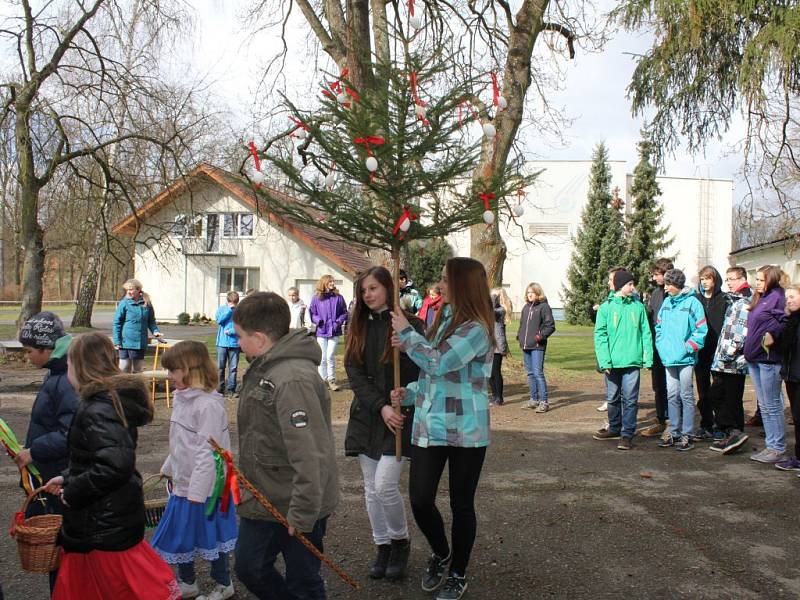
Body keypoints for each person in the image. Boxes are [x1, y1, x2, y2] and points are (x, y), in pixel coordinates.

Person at [43, 332, 178, 599]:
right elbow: (98, 457)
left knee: (117, 588)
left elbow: (115, 464)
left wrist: (74, 491)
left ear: (80, 366)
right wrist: (68, 477)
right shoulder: (104, 403)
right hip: (103, 519)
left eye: (69, 363)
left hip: (103, 523)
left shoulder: (98, 408)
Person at [390, 257, 493, 600]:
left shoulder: (477, 327)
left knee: (462, 505)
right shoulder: (445, 317)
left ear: (463, 285)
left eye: (447, 279)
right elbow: (436, 376)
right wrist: (410, 392)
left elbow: (438, 362)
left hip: (466, 430)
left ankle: (458, 573)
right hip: (431, 424)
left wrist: (406, 332)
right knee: (420, 499)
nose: (440, 284)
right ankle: (441, 551)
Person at [232, 292, 339, 599]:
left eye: (240, 336)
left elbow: (310, 451)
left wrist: (303, 514)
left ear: (260, 338)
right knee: (249, 566)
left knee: (303, 581)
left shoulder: (291, 378)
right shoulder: (265, 365)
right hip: (265, 495)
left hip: (298, 501)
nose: (237, 343)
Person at [343, 267, 421, 580]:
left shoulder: (410, 324)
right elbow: (354, 373)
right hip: (368, 416)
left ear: (388, 288)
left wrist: (406, 349)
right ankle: (382, 545)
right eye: (363, 291)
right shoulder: (358, 325)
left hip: (399, 417)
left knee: (385, 485)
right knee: (370, 490)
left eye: (373, 288)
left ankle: (400, 542)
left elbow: (423, 369)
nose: (368, 295)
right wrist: (380, 406)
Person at [151, 341, 238, 600]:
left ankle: (224, 584)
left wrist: (197, 494)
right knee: (182, 534)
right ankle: (187, 582)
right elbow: (182, 442)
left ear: (191, 369)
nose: (169, 376)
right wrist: (169, 466)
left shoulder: (207, 405)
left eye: (173, 370)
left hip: (206, 489)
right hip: (186, 484)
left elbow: (208, 452)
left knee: (213, 535)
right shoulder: (183, 399)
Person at [15, 312, 80, 593]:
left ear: (45, 348)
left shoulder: (65, 379)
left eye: (29, 350)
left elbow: (71, 432)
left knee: (62, 547)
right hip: (51, 471)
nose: (27, 356)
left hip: (59, 474)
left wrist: (34, 451)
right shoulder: (56, 372)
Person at [592, 269, 653, 450]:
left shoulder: (638, 307)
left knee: (630, 399)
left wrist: (647, 358)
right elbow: (600, 336)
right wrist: (604, 361)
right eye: (630, 284)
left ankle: (627, 434)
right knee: (612, 398)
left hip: (632, 362)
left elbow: (646, 334)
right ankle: (615, 427)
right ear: (620, 285)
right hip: (612, 362)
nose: (633, 287)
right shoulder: (606, 308)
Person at [655, 269, 708, 451]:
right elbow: (659, 328)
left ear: (677, 285)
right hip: (668, 358)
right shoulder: (667, 303)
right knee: (672, 395)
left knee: (686, 395)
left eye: (668, 285)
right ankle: (674, 430)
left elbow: (701, 331)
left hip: (685, 359)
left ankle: (687, 433)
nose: (666, 288)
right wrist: (662, 347)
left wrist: (688, 348)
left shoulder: (693, 303)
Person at [744, 265, 788, 464]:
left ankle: (777, 448)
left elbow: (786, 321)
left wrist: (773, 334)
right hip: (754, 359)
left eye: (761, 280)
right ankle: (771, 446)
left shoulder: (778, 296)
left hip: (768, 360)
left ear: (770, 279)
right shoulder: (760, 297)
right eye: (757, 280)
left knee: (772, 405)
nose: (757, 283)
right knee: (764, 405)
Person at [708, 267, 752, 454]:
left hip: (732, 361)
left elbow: (741, 332)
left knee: (722, 397)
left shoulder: (744, 302)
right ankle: (734, 436)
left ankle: (735, 433)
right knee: (727, 399)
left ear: (743, 278)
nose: (729, 283)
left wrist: (727, 354)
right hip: (724, 360)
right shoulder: (733, 301)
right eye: (727, 280)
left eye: (733, 279)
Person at [693, 266, 729, 442]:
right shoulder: (696, 300)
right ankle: (706, 423)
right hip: (701, 353)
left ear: (715, 280)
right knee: (703, 390)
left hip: (718, 352)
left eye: (708, 278)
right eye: (702, 279)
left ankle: (721, 425)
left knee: (719, 390)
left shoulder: (724, 300)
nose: (705, 282)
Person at [641, 258, 673, 437]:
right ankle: (661, 419)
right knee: (658, 385)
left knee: (673, 386)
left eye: (656, 275)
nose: (654, 278)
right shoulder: (655, 294)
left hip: (673, 347)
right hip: (656, 346)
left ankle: (673, 421)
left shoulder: (677, 295)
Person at [517, 282, 556, 412]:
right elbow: (522, 324)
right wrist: (520, 337)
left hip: (537, 346)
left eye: (532, 293)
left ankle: (544, 402)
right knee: (530, 374)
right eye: (528, 293)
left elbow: (550, 326)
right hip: (526, 346)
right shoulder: (525, 308)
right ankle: (534, 399)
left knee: (538, 373)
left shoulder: (544, 307)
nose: (529, 295)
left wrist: (540, 336)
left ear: (538, 293)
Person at [308, 274, 349, 391]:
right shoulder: (316, 298)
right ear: (324, 283)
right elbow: (312, 312)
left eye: (333, 281)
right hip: (322, 330)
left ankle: (332, 380)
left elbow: (344, 313)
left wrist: (338, 322)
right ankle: (322, 380)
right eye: (330, 282)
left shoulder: (339, 297)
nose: (332, 283)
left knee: (330, 355)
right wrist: (318, 321)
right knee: (322, 357)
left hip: (334, 331)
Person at [113, 278, 162, 373]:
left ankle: (137, 387)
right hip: (125, 342)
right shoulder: (124, 303)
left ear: (138, 290)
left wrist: (156, 332)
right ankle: (121, 387)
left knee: (137, 370)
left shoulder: (147, 304)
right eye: (127, 290)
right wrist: (117, 340)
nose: (128, 292)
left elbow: (151, 322)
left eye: (131, 289)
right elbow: (116, 323)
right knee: (124, 368)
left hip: (139, 343)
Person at [775, 283, 800, 471]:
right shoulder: (791, 320)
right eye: (787, 297)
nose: (788, 300)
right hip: (791, 375)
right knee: (797, 417)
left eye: (792, 297)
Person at [214, 291, 240, 395]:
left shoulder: (240, 311)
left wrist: (233, 331)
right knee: (220, 367)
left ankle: (231, 389)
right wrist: (229, 310)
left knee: (233, 368)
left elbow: (243, 325)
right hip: (222, 343)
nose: (233, 305)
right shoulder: (222, 309)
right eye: (231, 302)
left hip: (235, 343)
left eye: (235, 303)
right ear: (228, 301)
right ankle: (220, 388)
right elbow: (219, 321)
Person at [490, 288, 513, 407]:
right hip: (489, 344)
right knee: (490, 373)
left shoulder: (501, 310)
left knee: (495, 371)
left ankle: (499, 397)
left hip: (498, 345)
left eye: (494, 296)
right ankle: (494, 395)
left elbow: (492, 312)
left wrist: (494, 298)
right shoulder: (494, 309)